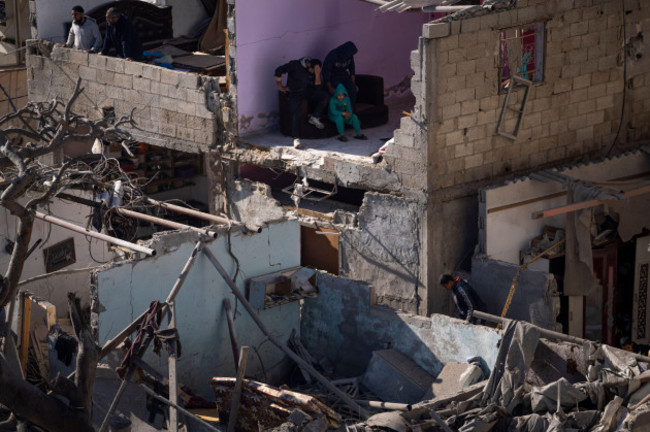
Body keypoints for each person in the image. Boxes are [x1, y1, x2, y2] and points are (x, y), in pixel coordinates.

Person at [274, 57, 328, 149]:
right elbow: (278, 71)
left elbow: (317, 87)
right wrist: (280, 86)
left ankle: (314, 117)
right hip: (293, 93)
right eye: (312, 70)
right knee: (296, 112)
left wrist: (317, 74)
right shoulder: (294, 65)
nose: (312, 73)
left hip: (305, 91)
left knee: (324, 96)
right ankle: (296, 138)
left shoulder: (313, 69)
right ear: (308, 64)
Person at [322, 41, 358, 108]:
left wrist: (353, 84)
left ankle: (351, 112)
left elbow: (352, 69)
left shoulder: (350, 55)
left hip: (344, 76)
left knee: (352, 89)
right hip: (333, 77)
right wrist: (330, 87)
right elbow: (325, 72)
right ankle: (340, 113)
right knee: (341, 92)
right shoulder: (332, 55)